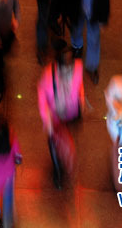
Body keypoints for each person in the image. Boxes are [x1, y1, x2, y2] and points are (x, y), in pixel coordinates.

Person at [37, 41, 84, 189]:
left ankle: (65, 161)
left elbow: (79, 85)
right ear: (57, 66)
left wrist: (81, 100)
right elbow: (42, 96)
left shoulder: (78, 68)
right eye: (65, 70)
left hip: (71, 114)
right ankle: (58, 170)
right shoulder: (48, 75)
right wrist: (47, 118)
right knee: (54, 143)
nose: (68, 72)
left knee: (66, 140)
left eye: (70, 69)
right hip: (55, 117)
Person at [67, 0, 109, 85]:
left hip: (94, 16)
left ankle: (92, 66)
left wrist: (103, 20)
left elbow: (106, 4)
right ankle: (77, 47)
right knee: (76, 32)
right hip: (78, 14)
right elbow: (69, 1)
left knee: (94, 39)